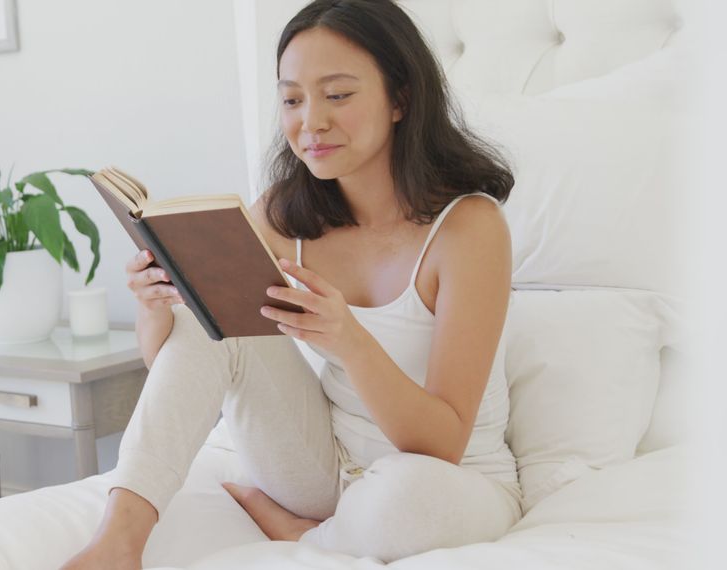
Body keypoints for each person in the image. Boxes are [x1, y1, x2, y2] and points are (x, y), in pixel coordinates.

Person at [63, 0, 519, 567]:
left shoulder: (469, 228)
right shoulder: (282, 215)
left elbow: (442, 442)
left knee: (404, 502)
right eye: (292, 100)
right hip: (321, 465)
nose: (312, 122)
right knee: (214, 324)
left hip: (447, 478)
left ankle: (302, 536)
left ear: (400, 98)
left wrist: (347, 338)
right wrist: (156, 307)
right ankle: (118, 542)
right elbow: (193, 368)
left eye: (338, 95)